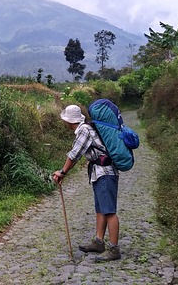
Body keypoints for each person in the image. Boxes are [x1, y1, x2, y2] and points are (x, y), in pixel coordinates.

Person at [52, 104, 121, 261]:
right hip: (99, 172)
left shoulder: (84, 130)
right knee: (100, 209)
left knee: (109, 210)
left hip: (105, 173)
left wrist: (62, 172)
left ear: (69, 121)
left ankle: (114, 249)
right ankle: (98, 242)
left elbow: (75, 154)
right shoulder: (86, 127)